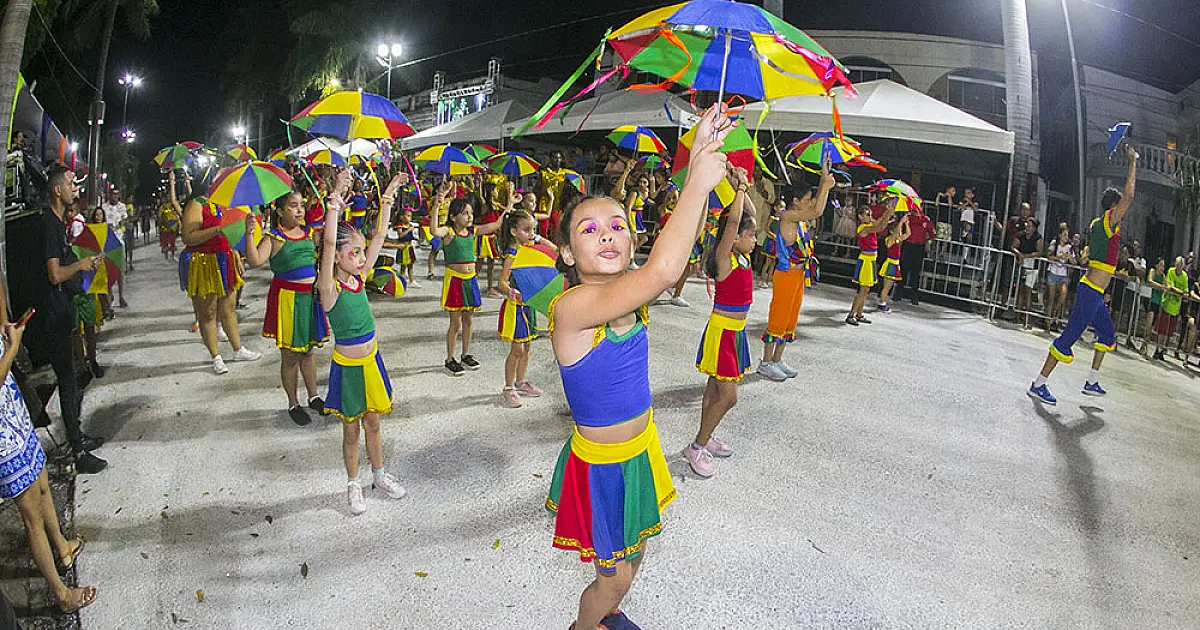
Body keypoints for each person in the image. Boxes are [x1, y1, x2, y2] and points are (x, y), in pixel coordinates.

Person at [545, 103, 731, 630]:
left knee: (639, 549)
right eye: (588, 229)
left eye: (617, 225)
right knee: (613, 577)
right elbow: (665, 267)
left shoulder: (630, 298)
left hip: (640, 448)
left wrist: (701, 154)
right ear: (565, 252)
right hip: (602, 468)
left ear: (632, 242)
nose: (606, 234)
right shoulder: (573, 309)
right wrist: (696, 179)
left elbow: (673, 258)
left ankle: (609, 618)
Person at [317, 169, 409, 515]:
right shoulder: (330, 288)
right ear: (337, 258)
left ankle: (379, 476)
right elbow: (328, 243)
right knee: (351, 430)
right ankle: (353, 484)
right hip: (349, 368)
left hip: (371, 361)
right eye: (353, 253)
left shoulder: (360, 278)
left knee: (374, 423)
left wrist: (388, 194)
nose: (360, 257)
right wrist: (335, 202)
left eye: (360, 253)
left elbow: (381, 234)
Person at [0, 315, 98, 613]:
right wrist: (13, 348)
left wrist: (6, 328)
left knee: (43, 485)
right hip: (4, 441)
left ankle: (63, 547)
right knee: (31, 517)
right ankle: (61, 593)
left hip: (15, 417)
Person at [1029, 145, 1139, 404]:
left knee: (1107, 334)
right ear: (1113, 207)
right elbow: (1130, 196)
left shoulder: (1096, 223)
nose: (1123, 212)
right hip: (1091, 291)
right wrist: (1133, 163)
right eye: (1120, 208)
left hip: (1095, 291)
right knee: (1071, 334)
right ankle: (1038, 383)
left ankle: (1091, 381)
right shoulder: (1109, 221)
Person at [27, 166, 107, 474]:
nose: (76, 188)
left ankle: (77, 437)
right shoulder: (48, 224)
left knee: (70, 379)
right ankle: (76, 451)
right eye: (72, 184)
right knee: (68, 379)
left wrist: (81, 262)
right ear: (57, 190)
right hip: (52, 314)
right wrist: (79, 265)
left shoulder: (58, 223)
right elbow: (54, 273)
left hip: (62, 309)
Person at [244, 189, 334, 426]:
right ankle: (293, 403)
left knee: (309, 351)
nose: (299, 210)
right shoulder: (274, 237)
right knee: (291, 356)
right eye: (293, 206)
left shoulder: (309, 233)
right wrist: (249, 233)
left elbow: (327, 250)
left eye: (301, 205)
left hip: (310, 299)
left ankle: (314, 396)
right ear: (280, 211)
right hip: (288, 301)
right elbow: (254, 261)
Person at [688, 166, 753, 477]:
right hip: (723, 332)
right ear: (736, 236)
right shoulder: (725, 258)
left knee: (714, 391)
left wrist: (738, 182)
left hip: (735, 333)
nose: (754, 239)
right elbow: (735, 219)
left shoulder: (744, 256)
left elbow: (747, 214)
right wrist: (738, 190)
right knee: (728, 397)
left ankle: (705, 437)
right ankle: (697, 447)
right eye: (750, 235)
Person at [174, 169, 262, 374]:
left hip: (225, 259)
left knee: (229, 308)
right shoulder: (196, 204)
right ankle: (216, 356)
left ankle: (237, 349)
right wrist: (216, 229)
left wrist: (235, 253)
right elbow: (188, 237)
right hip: (203, 263)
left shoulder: (224, 204)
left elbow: (231, 232)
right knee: (208, 312)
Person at [759, 162, 834, 379]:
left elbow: (815, 208)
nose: (810, 203)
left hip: (799, 274)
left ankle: (777, 359)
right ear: (795, 201)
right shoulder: (787, 216)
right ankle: (765, 362)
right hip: (786, 274)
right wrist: (826, 185)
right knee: (778, 317)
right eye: (806, 199)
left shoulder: (799, 220)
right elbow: (818, 210)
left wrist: (824, 178)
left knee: (791, 319)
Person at [427, 183, 509, 376]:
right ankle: (450, 358)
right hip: (455, 281)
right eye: (465, 213)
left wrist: (508, 207)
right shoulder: (448, 231)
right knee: (455, 322)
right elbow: (433, 231)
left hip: (470, 279)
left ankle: (466, 354)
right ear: (454, 217)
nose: (470, 216)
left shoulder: (473, 231)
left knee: (469, 320)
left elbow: (496, 225)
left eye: (471, 213)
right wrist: (437, 205)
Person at [495, 208, 554, 408]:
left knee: (527, 347)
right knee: (517, 349)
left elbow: (553, 249)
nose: (531, 234)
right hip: (515, 307)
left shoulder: (529, 248)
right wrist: (513, 292)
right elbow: (502, 283)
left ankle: (521, 382)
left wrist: (536, 237)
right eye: (526, 230)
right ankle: (508, 387)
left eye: (533, 230)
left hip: (529, 306)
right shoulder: (512, 254)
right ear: (514, 232)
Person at [846, 200, 897, 325]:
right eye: (867, 215)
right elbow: (879, 226)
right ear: (860, 216)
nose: (870, 217)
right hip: (865, 261)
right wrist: (888, 212)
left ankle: (859, 314)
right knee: (863, 290)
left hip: (871, 261)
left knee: (866, 289)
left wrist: (888, 212)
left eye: (870, 214)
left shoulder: (869, 225)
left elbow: (880, 224)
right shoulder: (862, 228)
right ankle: (851, 315)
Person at [1152, 256, 1190, 362]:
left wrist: (1184, 292)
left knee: (1169, 332)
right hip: (1167, 303)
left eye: (1181, 266)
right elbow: (1170, 286)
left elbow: (1186, 289)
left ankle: (1162, 351)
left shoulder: (1184, 276)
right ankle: (1157, 349)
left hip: (1176, 307)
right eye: (1177, 265)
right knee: (1161, 330)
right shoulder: (1171, 271)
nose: (1178, 267)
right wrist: (1181, 292)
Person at [899, 206, 935, 305]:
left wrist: (928, 240)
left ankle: (914, 294)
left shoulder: (925, 220)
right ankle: (898, 291)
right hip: (908, 245)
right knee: (903, 269)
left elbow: (932, 233)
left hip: (919, 247)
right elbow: (899, 229)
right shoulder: (908, 217)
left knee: (916, 271)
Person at [1013, 219, 1044, 329]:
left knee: (1028, 291)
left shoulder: (1038, 238)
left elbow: (1039, 253)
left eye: (1030, 226)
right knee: (1020, 290)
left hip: (1032, 267)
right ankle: (1017, 316)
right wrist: (1019, 254)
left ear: (1034, 228)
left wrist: (1026, 256)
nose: (1027, 227)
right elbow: (1013, 246)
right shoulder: (1020, 235)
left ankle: (1027, 318)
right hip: (1021, 265)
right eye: (1027, 225)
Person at [102, 188, 130, 306]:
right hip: (107, 243)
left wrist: (120, 225)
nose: (115, 197)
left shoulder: (122, 207)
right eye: (113, 194)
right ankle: (110, 294)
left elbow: (125, 220)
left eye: (117, 195)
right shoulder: (104, 207)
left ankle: (122, 296)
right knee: (108, 270)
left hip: (119, 241)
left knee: (120, 270)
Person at [876, 216, 910, 313]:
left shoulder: (897, 239)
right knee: (887, 286)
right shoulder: (889, 239)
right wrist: (901, 222)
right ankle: (882, 303)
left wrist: (906, 224)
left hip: (895, 264)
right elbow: (895, 233)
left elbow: (908, 234)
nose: (899, 233)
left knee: (889, 286)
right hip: (890, 263)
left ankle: (882, 302)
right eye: (898, 231)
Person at [1045, 222, 1074, 332]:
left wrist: (1070, 258)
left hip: (1063, 274)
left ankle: (1054, 315)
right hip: (1053, 271)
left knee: (1062, 295)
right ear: (1060, 235)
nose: (1066, 237)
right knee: (1051, 298)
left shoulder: (1069, 247)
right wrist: (1058, 257)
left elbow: (1074, 262)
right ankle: (1048, 322)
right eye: (1065, 235)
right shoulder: (1054, 243)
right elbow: (1049, 256)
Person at [538, 150, 569, 237]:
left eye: (559, 158)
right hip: (544, 204)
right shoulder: (544, 173)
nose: (557, 160)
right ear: (550, 159)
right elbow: (537, 188)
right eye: (555, 158)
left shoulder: (564, 174)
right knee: (543, 229)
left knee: (557, 228)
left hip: (557, 205)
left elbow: (566, 190)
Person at [158, 190, 180, 260]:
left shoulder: (174, 206)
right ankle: (166, 257)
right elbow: (159, 215)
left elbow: (177, 213)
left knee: (172, 241)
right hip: (164, 226)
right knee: (165, 242)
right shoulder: (162, 207)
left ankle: (173, 255)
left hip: (173, 226)